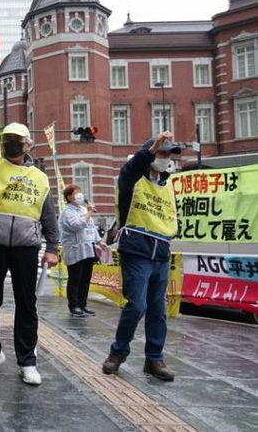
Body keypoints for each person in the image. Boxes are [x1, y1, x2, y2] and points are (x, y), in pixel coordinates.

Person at [0, 95, 59, 386]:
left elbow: (49, 213)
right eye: (7, 139)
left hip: (27, 246)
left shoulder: (40, 178)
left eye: (17, 140)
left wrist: (53, 247)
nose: (11, 144)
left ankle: (27, 361)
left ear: (27, 145)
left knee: (27, 304)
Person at [102, 132, 183, 382]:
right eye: (162, 153)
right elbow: (131, 169)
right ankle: (117, 353)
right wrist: (150, 149)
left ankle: (154, 359)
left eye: (169, 154)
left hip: (161, 253)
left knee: (158, 309)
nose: (166, 158)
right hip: (137, 251)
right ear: (150, 155)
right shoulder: (132, 179)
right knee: (136, 305)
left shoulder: (168, 186)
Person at [59, 184, 106, 317]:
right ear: (69, 197)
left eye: (80, 192)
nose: (79, 195)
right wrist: (89, 212)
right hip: (75, 249)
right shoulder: (67, 212)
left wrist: (99, 241)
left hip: (88, 249)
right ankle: (74, 306)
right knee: (75, 278)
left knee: (85, 278)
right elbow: (77, 225)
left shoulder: (83, 209)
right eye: (76, 193)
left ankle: (82, 305)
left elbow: (91, 227)